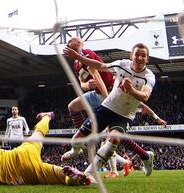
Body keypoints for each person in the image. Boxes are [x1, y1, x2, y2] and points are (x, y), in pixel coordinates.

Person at [64, 43, 157, 178]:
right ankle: (146, 156)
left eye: (143, 55)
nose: (140, 58)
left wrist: (131, 90)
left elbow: (145, 96)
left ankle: (87, 174)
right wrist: (78, 56)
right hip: (107, 107)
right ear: (131, 56)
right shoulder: (121, 65)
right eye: (137, 54)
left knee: (113, 139)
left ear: (147, 59)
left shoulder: (149, 76)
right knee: (76, 139)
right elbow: (100, 66)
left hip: (125, 114)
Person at [0, 112, 91, 186]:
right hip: (20, 154)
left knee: (56, 176)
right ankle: (47, 116)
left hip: (24, 175)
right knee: (38, 134)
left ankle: (72, 177)